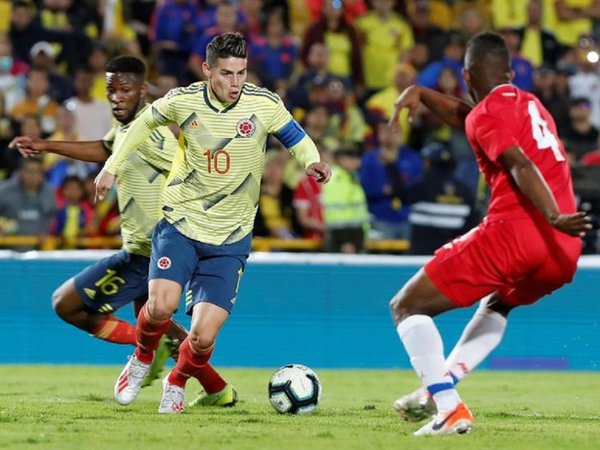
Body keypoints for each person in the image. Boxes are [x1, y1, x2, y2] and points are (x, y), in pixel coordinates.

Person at [94, 32, 331, 414]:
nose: (235, 83)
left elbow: (295, 137)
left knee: (202, 338)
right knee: (160, 306)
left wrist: (311, 161)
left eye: (241, 73)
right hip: (181, 223)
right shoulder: (182, 101)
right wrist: (110, 168)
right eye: (226, 73)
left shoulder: (263, 104)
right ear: (207, 71)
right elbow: (140, 127)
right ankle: (141, 358)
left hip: (231, 237)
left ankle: (177, 381)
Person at [387, 32, 591, 436]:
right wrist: (424, 95)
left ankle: (447, 406)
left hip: (521, 231)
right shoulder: (534, 106)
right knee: (498, 305)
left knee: (408, 306)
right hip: (564, 249)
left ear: (465, 75)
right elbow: (473, 118)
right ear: (511, 73)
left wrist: (549, 214)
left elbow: (517, 164)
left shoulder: (486, 115)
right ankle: (437, 388)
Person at [10, 56, 232, 402]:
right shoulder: (129, 128)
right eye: (111, 89)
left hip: (148, 251)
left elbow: (186, 169)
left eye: (125, 90)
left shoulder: (151, 131)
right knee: (165, 329)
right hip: (152, 250)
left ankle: (146, 349)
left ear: (142, 91)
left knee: (66, 304)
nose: (116, 97)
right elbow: (106, 148)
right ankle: (219, 391)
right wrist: (45, 145)